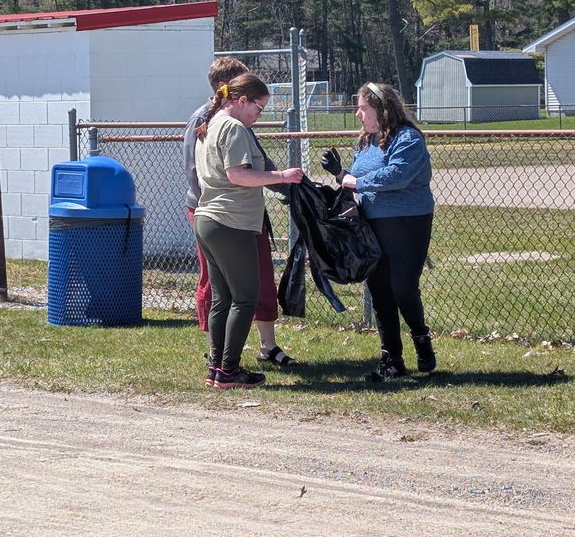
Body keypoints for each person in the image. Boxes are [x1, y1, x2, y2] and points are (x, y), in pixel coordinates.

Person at [184, 58, 301, 374]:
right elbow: (237, 175)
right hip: (230, 222)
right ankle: (229, 369)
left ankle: (217, 367)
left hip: (208, 219)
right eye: (258, 108)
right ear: (241, 100)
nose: (258, 116)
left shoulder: (211, 122)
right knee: (245, 298)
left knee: (222, 299)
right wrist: (282, 176)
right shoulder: (233, 127)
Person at [321, 82, 436, 381]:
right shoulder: (367, 142)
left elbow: (396, 175)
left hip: (408, 222)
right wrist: (339, 174)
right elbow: (356, 177)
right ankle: (391, 359)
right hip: (372, 223)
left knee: (403, 287)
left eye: (363, 108)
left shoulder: (407, 138)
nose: (358, 114)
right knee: (380, 290)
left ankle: (421, 339)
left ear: (382, 110)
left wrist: (353, 183)